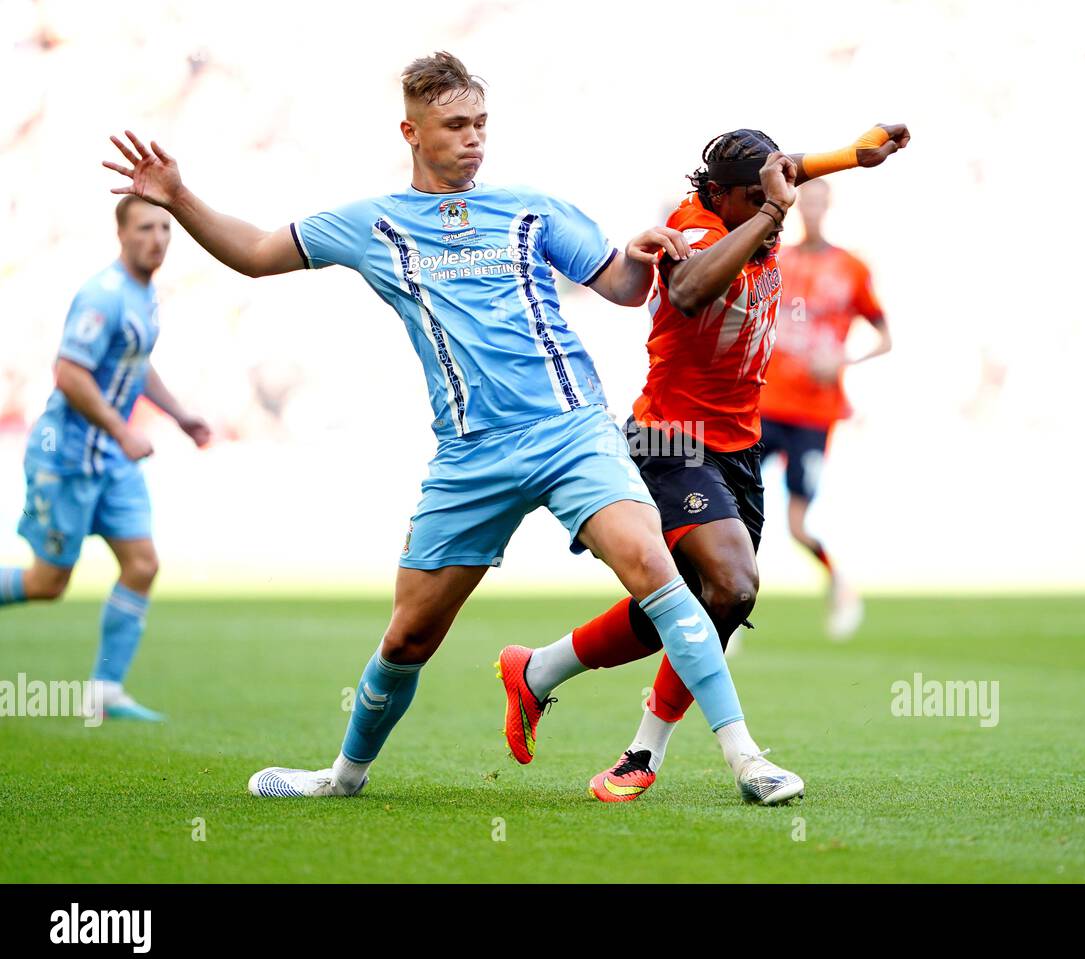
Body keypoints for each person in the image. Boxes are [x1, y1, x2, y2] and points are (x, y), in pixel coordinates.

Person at [102, 52, 803, 803]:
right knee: (408, 637)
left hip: (574, 432)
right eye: (456, 125)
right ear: (412, 130)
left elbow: (626, 289)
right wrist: (178, 195)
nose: (474, 139)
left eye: (481, 124)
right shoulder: (373, 224)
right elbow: (256, 254)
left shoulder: (532, 207)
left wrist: (644, 252)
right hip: (472, 456)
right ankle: (343, 777)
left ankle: (746, 760)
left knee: (662, 579)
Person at [496, 124, 909, 802]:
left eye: (778, 189)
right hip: (669, 437)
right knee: (734, 581)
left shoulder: (756, 199)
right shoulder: (694, 226)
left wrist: (852, 157)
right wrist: (775, 210)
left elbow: (786, 169)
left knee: (706, 597)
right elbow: (688, 292)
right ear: (722, 195)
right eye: (761, 197)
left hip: (737, 444)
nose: (780, 204)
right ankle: (695, 754)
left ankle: (539, 672)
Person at [0, 197, 212, 722]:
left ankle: (105, 693)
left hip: (112, 462)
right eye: (145, 227)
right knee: (49, 584)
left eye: (165, 227)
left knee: (142, 564)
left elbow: (137, 367)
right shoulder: (103, 295)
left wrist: (181, 416)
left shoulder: (146, 296)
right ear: (121, 233)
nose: (158, 238)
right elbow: (69, 372)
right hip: (67, 458)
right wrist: (121, 430)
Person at [759, 178, 892, 640]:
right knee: (734, 508)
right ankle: (724, 607)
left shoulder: (851, 268)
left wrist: (843, 359)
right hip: (765, 405)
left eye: (819, 201)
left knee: (797, 525)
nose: (812, 209)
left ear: (828, 205)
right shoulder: (778, 260)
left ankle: (839, 584)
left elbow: (884, 337)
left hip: (814, 415)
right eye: (806, 201)